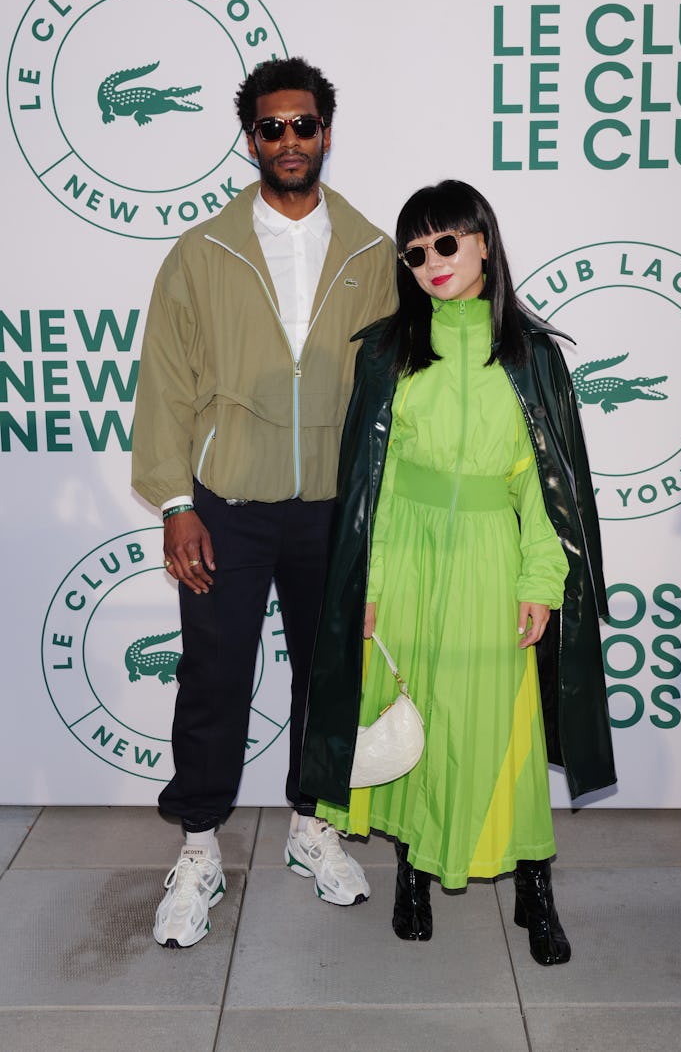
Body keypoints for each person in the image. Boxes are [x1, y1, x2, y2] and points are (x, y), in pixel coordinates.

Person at [301, 179, 616, 965]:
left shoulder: (534, 356)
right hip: (404, 557)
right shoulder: (387, 350)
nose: (431, 262)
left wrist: (542, 582)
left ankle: (534, 887)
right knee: (418, 718)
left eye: (446, 243)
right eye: (415, 252)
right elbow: (370, 483)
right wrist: (365, 590)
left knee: (505, 731)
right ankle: (411, 871)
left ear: (483, 241)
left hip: (488, 557)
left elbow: (544, 486)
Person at [131, 57, 397, 948]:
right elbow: (166, 386)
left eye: (305, 125)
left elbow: (399, 391)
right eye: (272, 127)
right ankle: (201, 847)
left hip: (331, 506)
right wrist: (176, 502)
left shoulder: (372, 249)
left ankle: (311, 826)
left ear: (327, 133)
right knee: (213, 677)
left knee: (329, 680)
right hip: (228, 505)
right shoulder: (200, 253)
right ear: (251, 140)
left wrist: (384, 508)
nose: (290, 141)